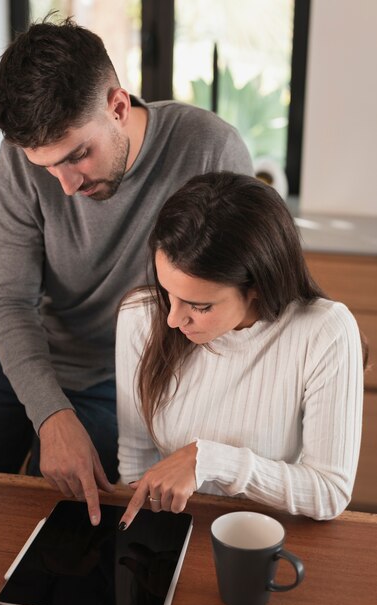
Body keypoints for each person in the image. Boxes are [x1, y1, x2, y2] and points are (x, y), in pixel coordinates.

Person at [0, 18, 253, 525]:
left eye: (78, 156)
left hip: (117, 373)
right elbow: (11, 303)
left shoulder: (209, 150)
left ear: (118, 106)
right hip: (15, 354)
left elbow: (261, 267)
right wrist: (51, 414)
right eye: (47, 166)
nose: (66, 186)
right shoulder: (17, 165)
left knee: (58, 524)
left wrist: (319, 325)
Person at [116, 172, 365, 528]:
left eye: (199, 306)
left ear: (258, 287)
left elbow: (329, 493)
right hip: (177, 530)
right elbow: (135, 459)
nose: (172, 319)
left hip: (269, 536)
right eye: (167, 292)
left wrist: (210, 459)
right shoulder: (140, 317)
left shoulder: (325, 331)